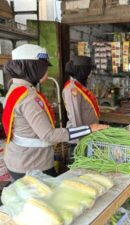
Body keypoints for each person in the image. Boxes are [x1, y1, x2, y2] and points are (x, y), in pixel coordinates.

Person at [2, 44, 108, 181]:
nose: (47, 72)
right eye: (43, 67)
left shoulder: (16, 89)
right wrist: (88, 129)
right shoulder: (28, 97)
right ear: (32, 67)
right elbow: (49, 135)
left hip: (21, 159)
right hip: (32, 164)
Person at [62, 56, 100, 163]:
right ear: (82, 70)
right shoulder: (72, 89)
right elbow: (75, 118)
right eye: (88, 70)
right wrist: (81, 141)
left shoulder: (79, 86)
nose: (90, 73)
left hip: (87, 136)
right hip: (79, 140)